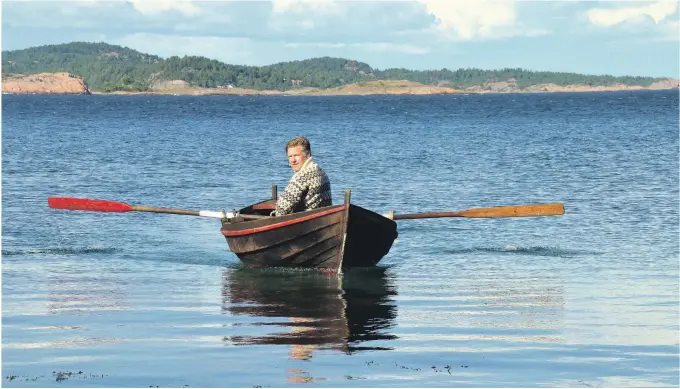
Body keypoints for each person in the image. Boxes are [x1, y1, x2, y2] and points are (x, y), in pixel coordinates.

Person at [273, 136, 332, 216]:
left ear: (307, 155)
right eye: (290, 156)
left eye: (296, 155)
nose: (293, 160)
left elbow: (282, 208)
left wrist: (274, 215)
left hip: (308, 221)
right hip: (322, 217)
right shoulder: (321, 172)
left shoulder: (303, 176)